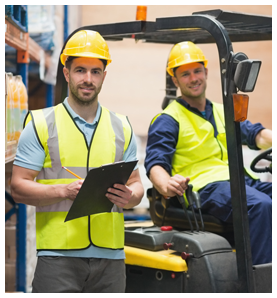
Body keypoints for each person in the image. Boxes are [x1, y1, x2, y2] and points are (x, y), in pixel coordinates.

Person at [11, 30, 144, 293]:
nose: (88, 79)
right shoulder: (40, 124)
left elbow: (137, 186)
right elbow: (18, 187)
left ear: (104, 76)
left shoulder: (122, 127)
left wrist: (129, 197)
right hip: (58, 258)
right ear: (66, 73)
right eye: (80, 70)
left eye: (95, 72)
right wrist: (63, 190)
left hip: (111, 259)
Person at [144, 41, 272, 266]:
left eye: (197, 71)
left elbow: (256, 135)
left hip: (238, 181)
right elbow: (156, 162)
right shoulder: (168, 119)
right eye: (185, 74)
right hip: (204, 189)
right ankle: (262, 280)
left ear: (206, 71)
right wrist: (164, 185)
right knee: (260, 205)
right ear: (175, 80)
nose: (193, 78)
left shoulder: (224, 111)